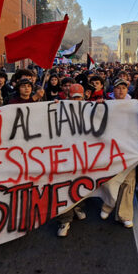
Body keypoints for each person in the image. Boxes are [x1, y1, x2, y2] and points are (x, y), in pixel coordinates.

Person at [100, 78, 135, 228]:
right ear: (113, 90)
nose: (121, 91)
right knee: (109, 179)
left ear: (127, 90)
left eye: (123, 88)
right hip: (110, 148)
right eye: (118, 88)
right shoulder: (106, 104)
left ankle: (125, 214)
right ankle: (108, 205)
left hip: (129, 148)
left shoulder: (134, 105)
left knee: (128, 180)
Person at [56, 83, 88, 237]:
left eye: (79, 98)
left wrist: (102, 107)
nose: (76, 101)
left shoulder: (90, 109)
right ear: (68, 98)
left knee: (80, 183)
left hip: (82, 155)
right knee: (64, 186)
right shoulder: (59, 108)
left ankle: (77, 207)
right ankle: (65, 219)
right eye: (73, 98)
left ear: (83, 97)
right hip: (64, 155)